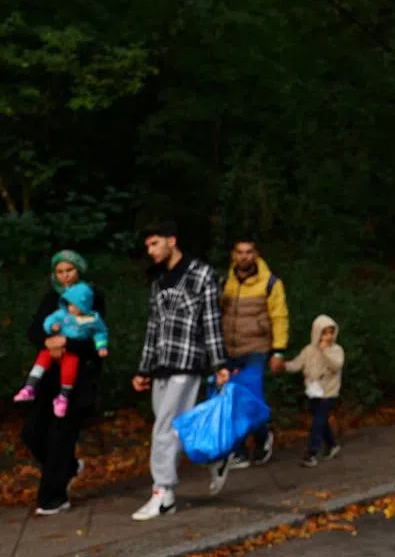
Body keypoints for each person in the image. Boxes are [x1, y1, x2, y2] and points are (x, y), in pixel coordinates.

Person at [131, 222, 231, 521]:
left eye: (155, 244)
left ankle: (162, 493)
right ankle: (216, 455)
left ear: (171, 241)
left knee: (163, 428)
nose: (150, 251)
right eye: (147, 246)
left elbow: (212, 322)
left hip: (188, 361)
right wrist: (144, 368)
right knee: (175, 428)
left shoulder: (201, 274)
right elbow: (153, 327)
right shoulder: (159, 280)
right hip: (163, 361)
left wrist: (220, 363)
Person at [19, 250, 107, 516]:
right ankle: (67, 467)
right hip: (48, 378)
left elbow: (97, 336)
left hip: (76, 378)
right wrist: (48, 341)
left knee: (60, 436)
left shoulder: (92, 296)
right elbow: (35, 330)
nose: (65, 276)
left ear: (79, 270)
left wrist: (67, 343)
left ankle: (53, 497)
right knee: (32, 433)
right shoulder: (51, 298)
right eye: (60, 271)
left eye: (69, 270)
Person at [219, 236, 289, 468]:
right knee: (229, 398)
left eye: (248, 252)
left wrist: (278, 350)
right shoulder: (225, 283)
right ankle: (237, 451)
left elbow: (279, 316)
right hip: (229, 349)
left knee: (250, 398)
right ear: (233, 255)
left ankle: (261, 436)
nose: (244, 256)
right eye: (240, 252)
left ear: (256, 254)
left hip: (257, 348)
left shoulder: (270, 283)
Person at [14, 281, 109, 418]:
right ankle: (29, 387)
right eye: (69, 304)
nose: (70, 308)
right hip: (54, 346)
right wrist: (51, 327)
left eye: (74, 305)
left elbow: (101, 332)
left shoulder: (93, 319)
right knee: (42, 360)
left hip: (71, 351)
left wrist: (101, 346)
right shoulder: (62, 314)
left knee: (69, 371)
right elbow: (49, 320)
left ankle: (63, 397)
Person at [280, 314, 344, 467]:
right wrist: (284, 366)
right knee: (319, 420)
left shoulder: (336, 350)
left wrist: (324, 352)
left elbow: (336, 366)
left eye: (330, 332)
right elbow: (297, 364)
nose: (328, 336)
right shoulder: (309, 350)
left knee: (318, 420)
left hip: (328, 392)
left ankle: (312, 452)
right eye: (324, 332)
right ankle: (332, 444)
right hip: (313, 391)